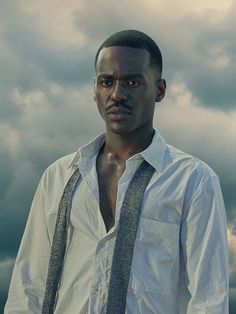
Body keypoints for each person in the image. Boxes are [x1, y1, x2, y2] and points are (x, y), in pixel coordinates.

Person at [5, 30, 228, 313]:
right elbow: (27, 288)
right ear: (94, 88)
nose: (117, 94)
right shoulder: (58, 176)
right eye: (106, 81)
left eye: (133, 82)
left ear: (159, 90)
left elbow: (209, 298)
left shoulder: (193, 180)